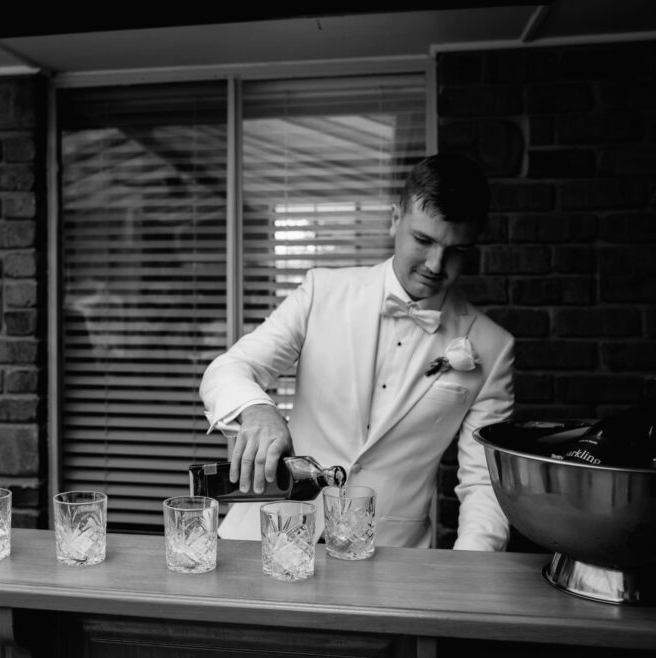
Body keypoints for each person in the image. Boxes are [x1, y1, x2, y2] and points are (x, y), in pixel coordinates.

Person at [199, 153, 514, 551]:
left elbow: (484, 485)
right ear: (395, 218)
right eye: (423, 240)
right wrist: (257, 411)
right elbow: (228, 368)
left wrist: (472, 572)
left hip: (390, 557)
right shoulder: (321, 292)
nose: (436, 265)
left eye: (456, 250)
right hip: (265, 537)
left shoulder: (492, 347)